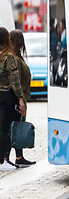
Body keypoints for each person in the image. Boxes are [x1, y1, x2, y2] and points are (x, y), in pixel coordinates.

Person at [5, 30, 35, 167]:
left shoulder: (16, 57)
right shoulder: (15, 59)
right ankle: (6, 157)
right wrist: (20, 100)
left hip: (19, 97)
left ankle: (18, 156)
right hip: (17, 98)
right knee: (13, 127)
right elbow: (14, 80)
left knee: (16, 127)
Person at [0, 27, 25, 171]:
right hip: (6, 96)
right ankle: (2, 161)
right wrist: (21, 100)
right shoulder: (8, 57)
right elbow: (15, 81)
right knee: (4, 129)